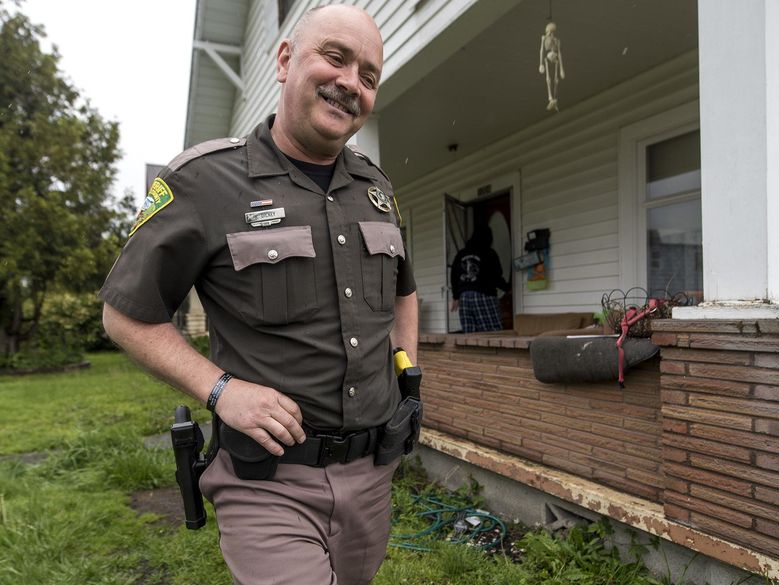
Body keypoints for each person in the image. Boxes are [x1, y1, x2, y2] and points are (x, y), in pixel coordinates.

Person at [99, 5, 418, 584]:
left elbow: (404, 292)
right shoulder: (203, 181)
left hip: (372, 476)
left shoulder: (376, 189)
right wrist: (220, 390)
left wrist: (406, 372)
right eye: (336, 58)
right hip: (266, 482)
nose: (351, 83)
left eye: (369, 76)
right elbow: (127, 314)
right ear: (285, 59)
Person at [450, 224, 508, 333]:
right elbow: (495, 276)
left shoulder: (461, 254)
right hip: (483, 294)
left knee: (470, 333)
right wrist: (507, 288)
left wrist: (456, 296)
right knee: (493, 332)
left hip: (464, 297)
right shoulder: (489, 252)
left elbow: (454, 275)